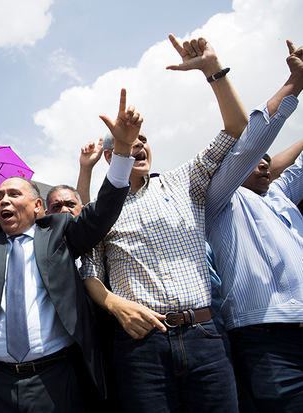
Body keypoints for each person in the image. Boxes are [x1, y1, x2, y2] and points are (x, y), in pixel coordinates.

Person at [0, 88, 140, 412]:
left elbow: (101, 213)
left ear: (38, 206)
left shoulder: (59, 232)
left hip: (56, 379)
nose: (3, 200)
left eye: (13, 194)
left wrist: (124, 151)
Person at [78, 34, 249, 412]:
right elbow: (89, 272)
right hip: (141, 346)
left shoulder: (184, 180)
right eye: (126, 143)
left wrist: (212, 70)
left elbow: (237, 129)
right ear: (111, 157)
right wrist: (112, 303)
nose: (137, 144)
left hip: (206, 335)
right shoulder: (103, 211)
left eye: (143, 139)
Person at [205, 40, 303, 413]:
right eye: (254, 161)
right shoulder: (219, 199)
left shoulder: (279, 196)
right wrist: (295, 83)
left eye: (268, 162)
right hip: (267, 341)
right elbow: (252, 142)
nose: (264, 165)